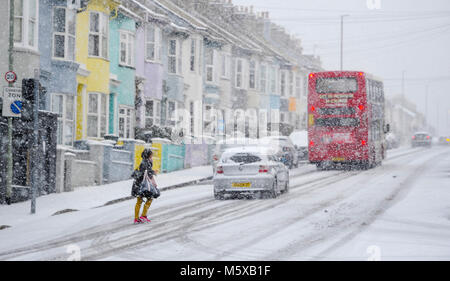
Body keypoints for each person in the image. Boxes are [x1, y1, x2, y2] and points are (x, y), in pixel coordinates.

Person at [132, 148, 157, 224]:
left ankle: (137, 218)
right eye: (151, 156)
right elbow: (146, 173)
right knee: (149, 198)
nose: (152, 157)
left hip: (139, 184)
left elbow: (145, 172)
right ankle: (143, 216)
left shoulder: (144, 162)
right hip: (143, 184)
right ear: (148, 156)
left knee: (139, 201)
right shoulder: (146, 163)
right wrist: (153, 172)